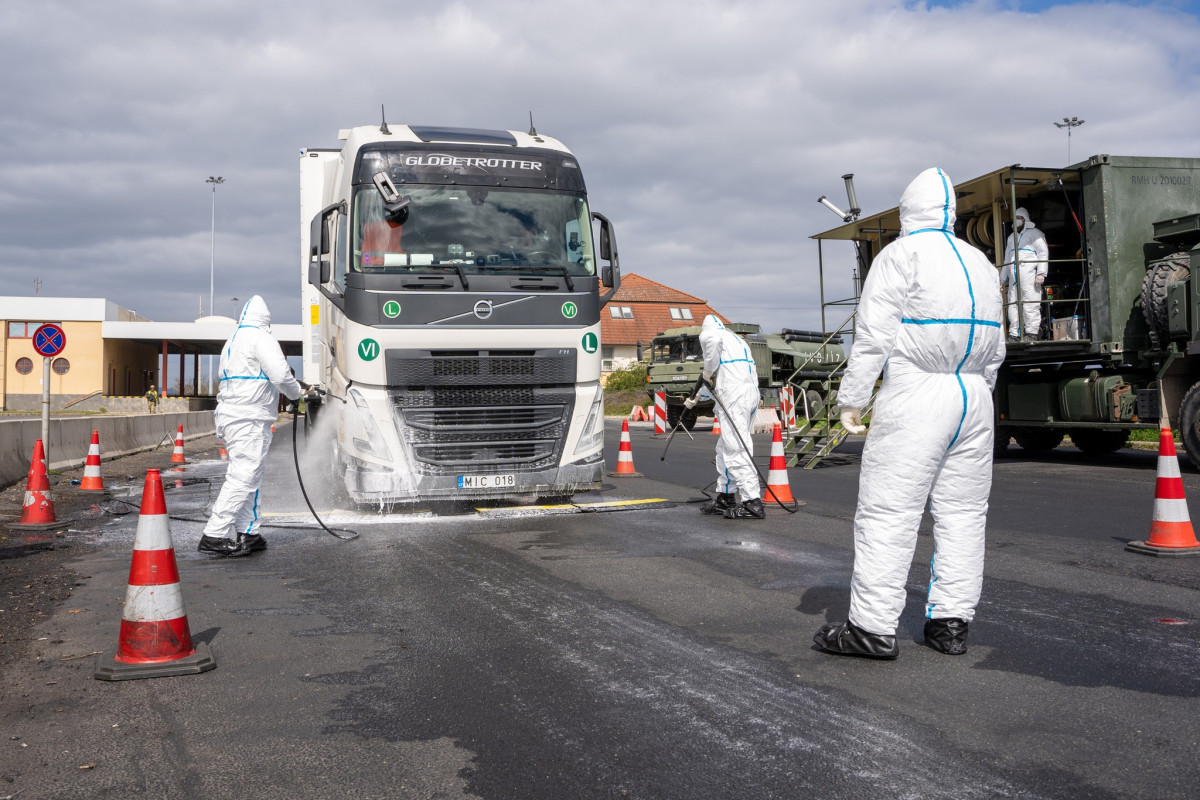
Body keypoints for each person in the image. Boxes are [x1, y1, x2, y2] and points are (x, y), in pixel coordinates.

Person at [813, 167, 1006, 659]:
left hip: (918, 393)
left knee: (888, 512)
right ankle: (950, 623)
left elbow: (873, 336)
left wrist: (852, 399)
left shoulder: (899, 256)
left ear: (907, 211)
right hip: (973, 398)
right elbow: (997, 346)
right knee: (963, 515)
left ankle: (872, 628)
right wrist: (980, 391)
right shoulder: (980, 262)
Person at [198, 296, 302, 557]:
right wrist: (297, 393)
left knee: (249, 476)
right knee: (243, 476)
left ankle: (249, 532)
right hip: (248, 418)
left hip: (232, 415)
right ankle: (214, 533)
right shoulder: (261, 338)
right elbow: (280, 374)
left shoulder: (233, 339)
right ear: (266, 320)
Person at [684, 315, 764, 519]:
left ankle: (752, 502)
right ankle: (725, 497)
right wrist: (697, 396)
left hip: (735, 398)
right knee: (726, 448)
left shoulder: (712, 334)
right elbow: (727, 376)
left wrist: (707, 370)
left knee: (736, 448)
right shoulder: (738, 341)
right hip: (749, 393)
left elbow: (712, 347)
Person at [998, 207, 1049, 341]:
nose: (1016, 221)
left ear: (1024, 220)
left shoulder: (1035, 234)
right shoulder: (1011, 238)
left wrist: (1041, 273)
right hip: (1015, 278)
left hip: (1030, 276)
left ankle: (1031, 333)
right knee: (1013, 305)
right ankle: (1014, 334)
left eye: (1018, 218)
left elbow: (1043, 253)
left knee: (1030, 304)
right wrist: (1002, 279)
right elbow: (1007, 260)